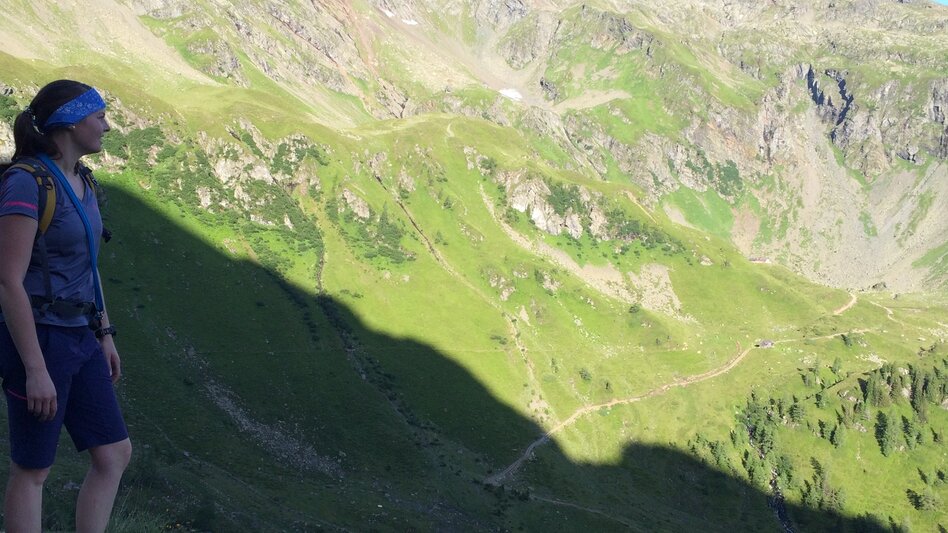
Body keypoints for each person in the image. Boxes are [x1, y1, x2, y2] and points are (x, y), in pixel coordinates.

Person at [0, 80, 131, 532]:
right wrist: (35, 369)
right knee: (34, 469)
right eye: (99, 117)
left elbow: (87, 266)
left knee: (114, 453)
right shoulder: (26, 181)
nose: (107, 126)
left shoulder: (84, 181)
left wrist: (105, 333)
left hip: (81, 335)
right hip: (40, 337)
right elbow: (7, 281)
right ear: (71, 122)